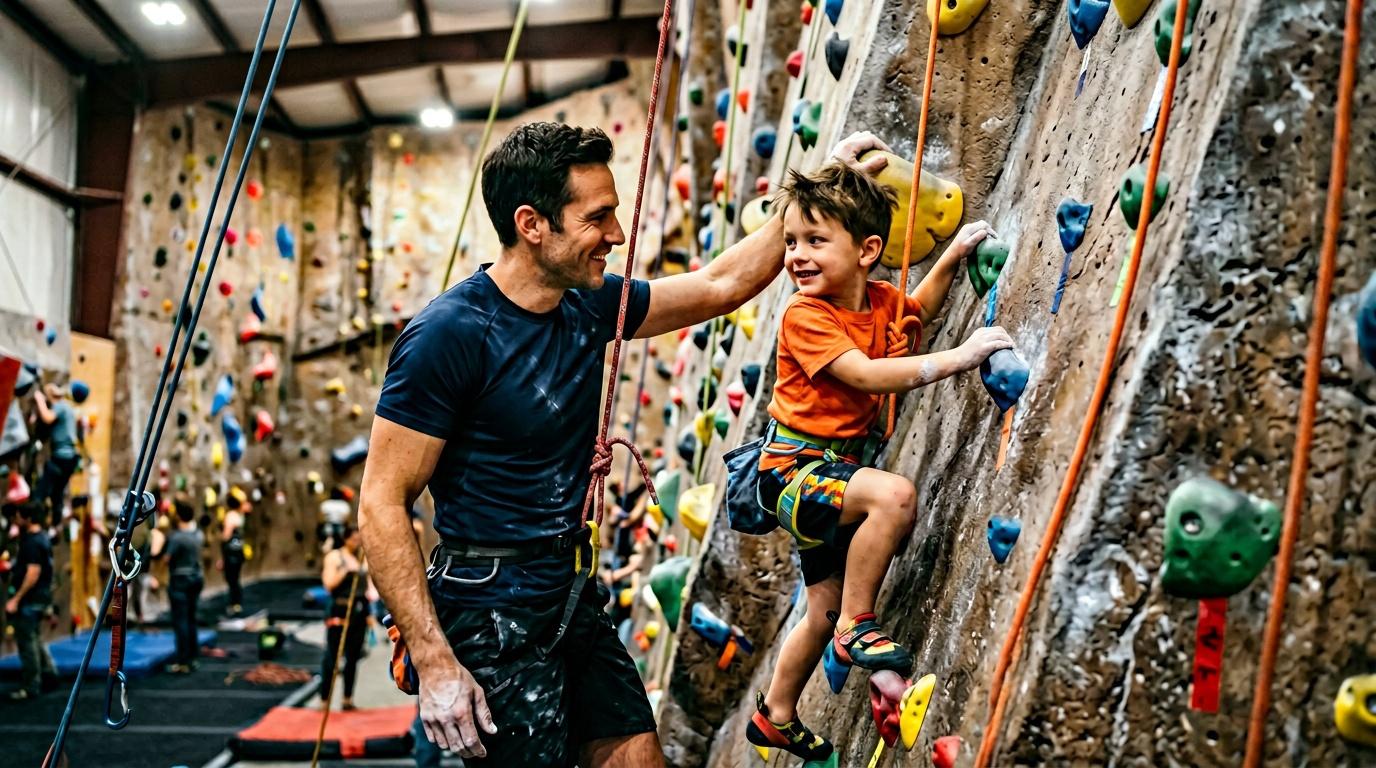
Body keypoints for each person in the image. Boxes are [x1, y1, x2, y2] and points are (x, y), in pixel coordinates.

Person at [359, 121, 892, 766]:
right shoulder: (449, 336)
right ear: (532, 224)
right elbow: (382, 504)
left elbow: (720, 284)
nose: (616, 234)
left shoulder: (584, 304)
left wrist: (815, 201)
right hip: (491, 611)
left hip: (568, 587)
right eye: (598, 217)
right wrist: (434, 661)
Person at [740, 164, 1011, 759]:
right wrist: (958, 359)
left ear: (867, 251)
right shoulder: (804, 316)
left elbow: (912, 314)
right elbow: (864, 374)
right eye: (791, 242)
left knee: (819, 608)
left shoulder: (880, 301)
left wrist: (951, 257)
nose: (796, 256)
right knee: (893, 497)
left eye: (815, 241)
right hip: (794, 471)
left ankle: (775, 716)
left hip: (824, 474)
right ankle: (858, 626)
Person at [5, 500, 57, 700]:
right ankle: (49, 674)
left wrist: (16, 599)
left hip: (30, 599)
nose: (15, 520)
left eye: (18, 516)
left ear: (27, 518)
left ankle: (31, 685)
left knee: (27, 641)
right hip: (39, 597)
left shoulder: (33, 542)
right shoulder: (41, 538)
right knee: (35, 637)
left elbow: (33, 573)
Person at [320, 525, 371, 711]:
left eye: (360, 541)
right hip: (340, 610)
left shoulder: (362, 556)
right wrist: (345, 570)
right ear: (346, 539)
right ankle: (324, 700)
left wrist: (370, 614)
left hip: (359, 610)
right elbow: (328, 585)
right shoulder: (335, 557)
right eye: (354, 540)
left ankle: (347, 699)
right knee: (332, 657)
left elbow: (367, 587)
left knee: (353, 657)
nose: (357, 543)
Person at [153, 497, 204, 673]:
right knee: (191, 619)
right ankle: (193, 657)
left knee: (181, 621)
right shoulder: (198, 534)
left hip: (180, 581)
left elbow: (165, 559)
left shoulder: (177, 538)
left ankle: (183, 660)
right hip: (196, 578)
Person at [32, 383, 81, 526]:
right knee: (57, 494)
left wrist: (39, 400)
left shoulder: (59, 406)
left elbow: (47, 417)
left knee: (40, 493)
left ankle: (35, 522)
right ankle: (55, 524)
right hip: (70, 459)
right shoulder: (68, 408)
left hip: (61, 457)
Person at [220, 504, 247, 617]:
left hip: (231, 553)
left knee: (232, 579)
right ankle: (236, 604)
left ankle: (234, 604)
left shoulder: (231, 516)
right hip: (238, 552)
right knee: (235, 579)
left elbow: (226, 535)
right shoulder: (238, 516)